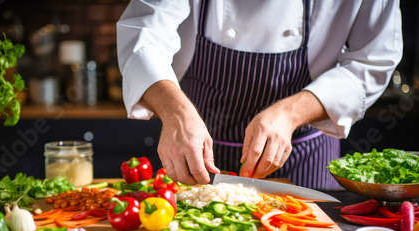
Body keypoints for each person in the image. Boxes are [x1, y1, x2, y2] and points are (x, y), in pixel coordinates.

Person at [116, 0, 403, 189]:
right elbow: (143, 33)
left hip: (305, 156)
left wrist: (291, 113)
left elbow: (374, 59)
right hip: (195, 155)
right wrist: (175, 112)